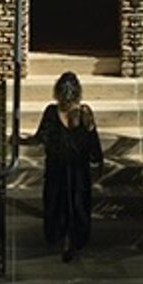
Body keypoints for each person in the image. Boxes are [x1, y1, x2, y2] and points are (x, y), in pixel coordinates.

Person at [33, 70, 104, 262]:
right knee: (77, 203)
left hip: (57, 167)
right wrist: (98, 163)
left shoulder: (51, 112)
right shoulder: (85, 113)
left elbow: (41, 138)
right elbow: (92, 141)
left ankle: (62, 237)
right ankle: (72, 239)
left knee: (57, 202)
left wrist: (19, 141)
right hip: (79, 169)